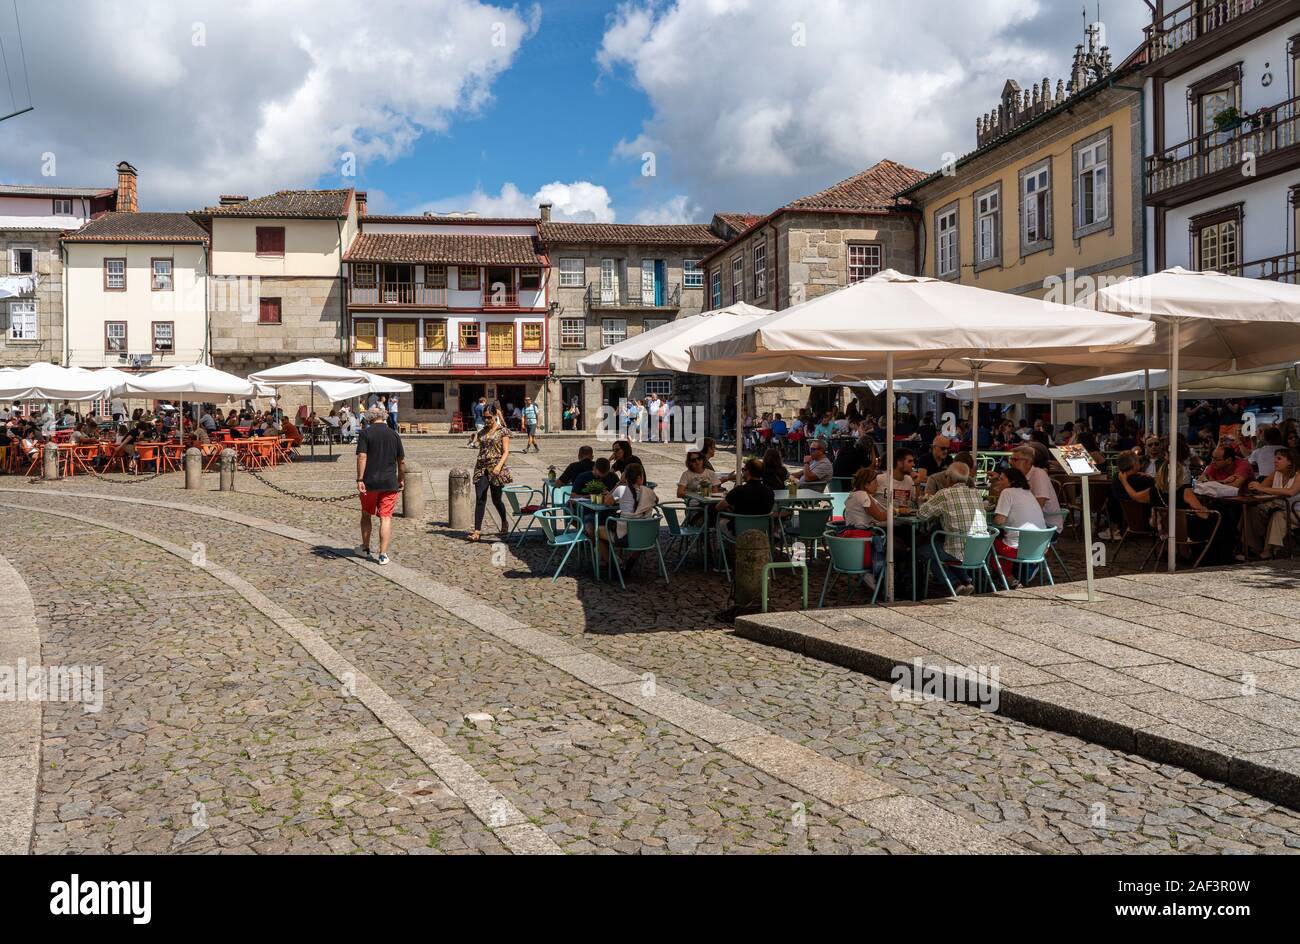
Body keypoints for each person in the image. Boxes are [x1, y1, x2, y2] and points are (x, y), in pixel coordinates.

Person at [916, 462, 988, 594]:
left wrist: (922, 501)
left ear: (949, 478)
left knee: (923, 551)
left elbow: (921, 514)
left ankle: (954, 583)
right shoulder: (976, 493)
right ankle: (965, 580)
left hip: (955, 551)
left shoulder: (945, 493)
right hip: (979, 551)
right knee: (946, 547)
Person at [355, 406, 405, 566]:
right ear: (384, 417)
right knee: (386, 517)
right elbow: (401, 460)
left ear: (369, 418)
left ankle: (365, 547)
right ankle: (383, 554)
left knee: (366, 514)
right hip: (390, 482)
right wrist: (401, 478)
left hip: (370, 482)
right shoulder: (394, 434)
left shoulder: (365, 433)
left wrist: (360, 479)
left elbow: (362, 456)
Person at [594, 461, 658, 568]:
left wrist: (619, 482)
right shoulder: (649, 492)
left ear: (626, 477)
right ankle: (630, 563)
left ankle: (614, 564)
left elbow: (607, 502)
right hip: (646, 537)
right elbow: (656, 500)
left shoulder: (621, 490)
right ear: (640, 478)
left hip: (625, 537)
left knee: (598, 531)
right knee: (640, 526)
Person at [991, 467, 1046, 585]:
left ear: (1012, 481)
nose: (999, 482)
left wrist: (992, 519)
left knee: (989, 546)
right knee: (1005, 540)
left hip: (1018, 548)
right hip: (1040, 547)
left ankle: (1011, 580)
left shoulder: (1007, 492)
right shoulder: (1028, 493)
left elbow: (999, 521)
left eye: (1002, 479)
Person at [1243, 447, 1300, 559]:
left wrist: (1263, 489)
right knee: (1252, 511)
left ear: (1290, 461)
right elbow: (1261, 488)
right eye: (1275, 458)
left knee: (1277, 516)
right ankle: (1253, 547)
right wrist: (1254, 486)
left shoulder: (1298, 475)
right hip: (1278, 507)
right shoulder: (1276, 474)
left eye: (1279, 458)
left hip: (1296, 511)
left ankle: (1268, 550)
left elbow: (1290, 492)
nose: (1275, 461)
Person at [469, 407, 512, 542]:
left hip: (496, 469)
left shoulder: (503, 431)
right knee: (480, 498)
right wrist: (473, 440)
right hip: (481, 468)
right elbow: (478, 446)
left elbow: (506, 452)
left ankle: (504, 521)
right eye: (484, 417)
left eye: (489, 417)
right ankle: (477, 531)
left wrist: (499, 466)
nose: (486, 420)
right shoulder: (481, 432)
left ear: (495, 416)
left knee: (496, 500)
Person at [1010, 445, 1060, 517]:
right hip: (1030, 519)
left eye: (1014, 460)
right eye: (1011, 459)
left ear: (1027, 462)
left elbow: (1039, 505)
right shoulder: (1020, 475)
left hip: (1046, 524)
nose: (1011, 462)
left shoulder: (1038, 474)